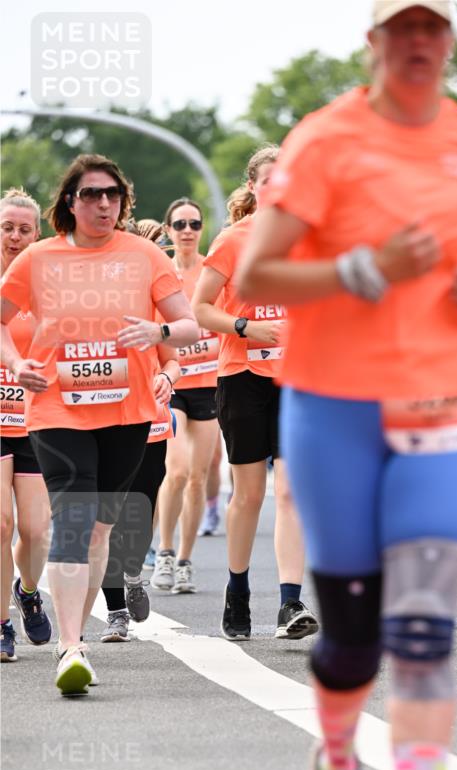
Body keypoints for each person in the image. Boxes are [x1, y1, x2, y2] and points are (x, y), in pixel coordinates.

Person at [237, 0, 457, 770]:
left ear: (447, 42)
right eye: (400, 27)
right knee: (354, 636)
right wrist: (363, 270)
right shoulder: (324, 141)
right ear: (373, 42)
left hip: (442, 401)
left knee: (421, 632)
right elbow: (256, 276)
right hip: (333, 408)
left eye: (432, 28)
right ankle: (333, 763)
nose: (417, 42)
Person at [0, 154, 199, 695]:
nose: (103, 203)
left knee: (99, 530)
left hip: (127, 413)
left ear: (123, 200)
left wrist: (157, 333)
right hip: (57, 411)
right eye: (91, 194)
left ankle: (73, 635)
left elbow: (188, 325)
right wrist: (17, 364)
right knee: (73, 519)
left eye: (112, 193)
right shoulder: (39, 258)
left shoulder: (142, 256)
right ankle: (71, 646)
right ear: (70, 202)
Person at [192, 147, 318, 642]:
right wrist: (244, 325)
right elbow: (201, 309)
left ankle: (290, 602)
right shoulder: (233, 240)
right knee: (249, 494)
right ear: (254, 187)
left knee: (291, 491)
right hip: (242, 376)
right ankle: (238, 589)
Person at [100, 219, 182, 640]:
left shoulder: (148, 301)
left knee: (141, 507)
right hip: (98, 419)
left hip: (149, 421)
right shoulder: (79, 304)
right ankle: (115, 612)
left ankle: (133, 570)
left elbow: (172, 358)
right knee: (105, 516)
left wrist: (168, 377)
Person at [149, 198, 219, 594]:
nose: (187, 230)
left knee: (198, 476)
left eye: (194, 223)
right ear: (169, 229)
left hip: (208, 384)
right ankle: (163, 551)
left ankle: (185, 561)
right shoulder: (162, 273)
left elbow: (221, 321)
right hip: (172, 383)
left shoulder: (213, 270)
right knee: (174, 472)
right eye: (180, 224)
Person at [0, 188, 52, 662]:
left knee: (36, 531)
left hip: (35, 419)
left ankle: (29, 590)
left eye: (24, 229)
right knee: (2, 523)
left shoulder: (46, 283)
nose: (15, 237)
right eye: (7, 227)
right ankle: (1, 626)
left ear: (37, 233)